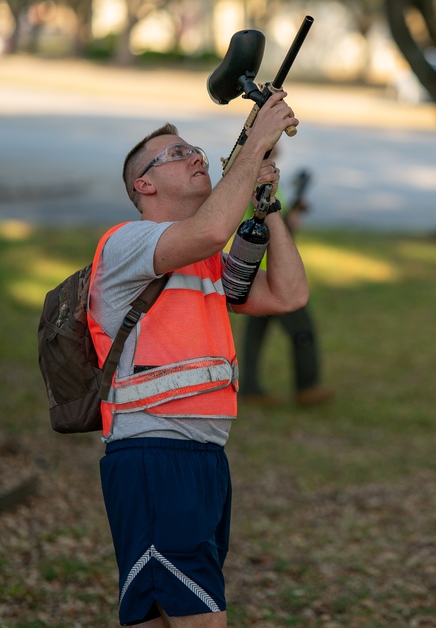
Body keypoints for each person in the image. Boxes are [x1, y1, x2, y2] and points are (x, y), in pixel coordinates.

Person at [88, 91, 306, 627]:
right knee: (200, 616)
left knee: (160, 614)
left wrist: (265, 202)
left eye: (196, 149)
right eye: (177, 153)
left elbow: (288, 295)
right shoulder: (128, 243)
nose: (196, 156)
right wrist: (254, 145)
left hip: (204, 460)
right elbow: (211, 227)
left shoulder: (206, 265)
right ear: (144, 185)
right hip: (154, 455)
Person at [239, 157, 332, 406]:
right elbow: (265, 219)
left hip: (253, 270)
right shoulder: (256, 181)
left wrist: (293, 212)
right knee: (302, 329)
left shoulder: (250, 178)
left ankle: (248, 387)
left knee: (255, 333)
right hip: (273, 272)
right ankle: (306, 386)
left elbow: (275, 217)